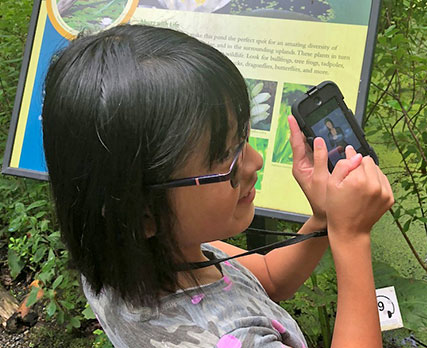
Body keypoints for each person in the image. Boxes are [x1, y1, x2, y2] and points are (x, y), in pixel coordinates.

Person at [41, 25, 394, 348]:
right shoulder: (231, 340)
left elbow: (269, 279)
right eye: (228, 157)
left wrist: (323, 220)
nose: (255, 162)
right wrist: (352, 238)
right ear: (142, 213)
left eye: (244, 138)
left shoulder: (133, 255)